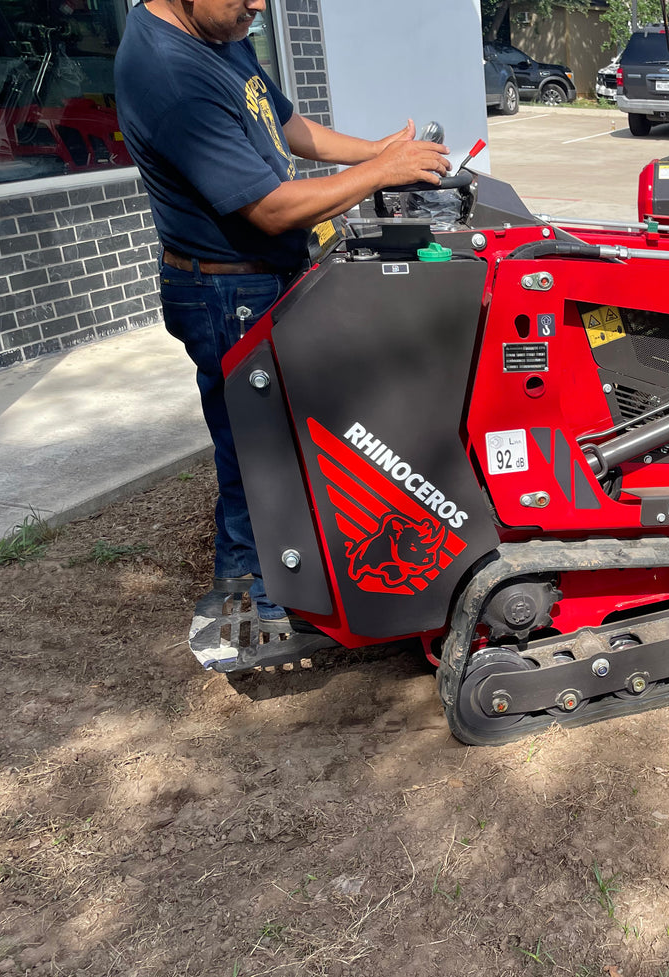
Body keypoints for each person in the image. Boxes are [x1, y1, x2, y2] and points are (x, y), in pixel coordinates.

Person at [114, 0, 450, 631]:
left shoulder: (216, 31)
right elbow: (268, 209)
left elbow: (285, 124)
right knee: (261, 446)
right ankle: (265, 601)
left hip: (260, 277)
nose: (259, 7)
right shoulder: (170, 72)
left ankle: (253, 573)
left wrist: (373, 153)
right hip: (229, 291)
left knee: (271, 437)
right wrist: (381, 172)